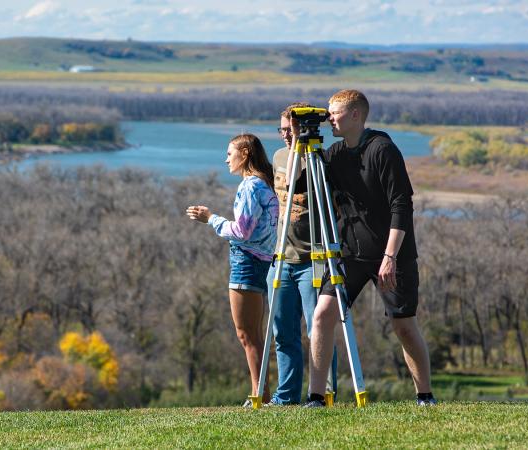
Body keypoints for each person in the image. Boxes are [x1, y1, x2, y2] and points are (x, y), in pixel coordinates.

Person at [304, 90, 436, 407]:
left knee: (403, 325)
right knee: (322, 315)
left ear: (355, 116)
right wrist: (300, 145)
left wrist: (390, 257)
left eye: (334, 113)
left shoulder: (383, 150)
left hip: (392, 254)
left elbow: (401, 206)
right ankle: (316, 397)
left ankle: (425, 395)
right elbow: (306, 188)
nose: (329, 118)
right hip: (349, 254)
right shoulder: (335, 154)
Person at [186, 133, 279, 407]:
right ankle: (261, 392)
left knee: (247, 335)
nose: (226, 159)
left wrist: (210, 219)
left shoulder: (250, 186)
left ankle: (259, 396)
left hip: (246, 263)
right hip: (264, 261)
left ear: (246, 153)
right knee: (255, 335)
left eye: (230, 153)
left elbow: (242, 230)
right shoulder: (266, 183)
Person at [265, 102, 320, 405]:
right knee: (283, 334)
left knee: (318, 334)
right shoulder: (278, 157)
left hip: (314, 260)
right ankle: (286, 397)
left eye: (292, 129)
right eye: (282, 130)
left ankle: (321, 393)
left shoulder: (318, 158)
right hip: (282, 257)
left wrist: (304, 149)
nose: (286, 135)